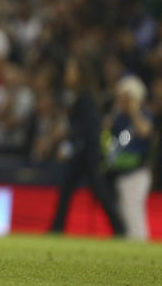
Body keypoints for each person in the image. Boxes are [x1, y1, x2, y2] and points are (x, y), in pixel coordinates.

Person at [49, 56, 125, 236]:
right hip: (85, 151)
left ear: (80, 74)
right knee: (72, 188)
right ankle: (57, 228)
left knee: (96, 190)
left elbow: (87, 127)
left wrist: (68, 144)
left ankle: (120, 228)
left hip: (88, 152)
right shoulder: (81, 96)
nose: (67, 74)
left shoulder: (85, 98)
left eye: (71, 70)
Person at [105, 75, 155, 240]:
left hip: (138, 171)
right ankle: (130, 242)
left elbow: (144, 131)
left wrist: (135, 112)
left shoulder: (144, 114)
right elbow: (108, 136)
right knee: (124, 210)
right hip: (121, 171)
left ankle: (139, 241)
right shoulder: (119, 118)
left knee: (133, 209)